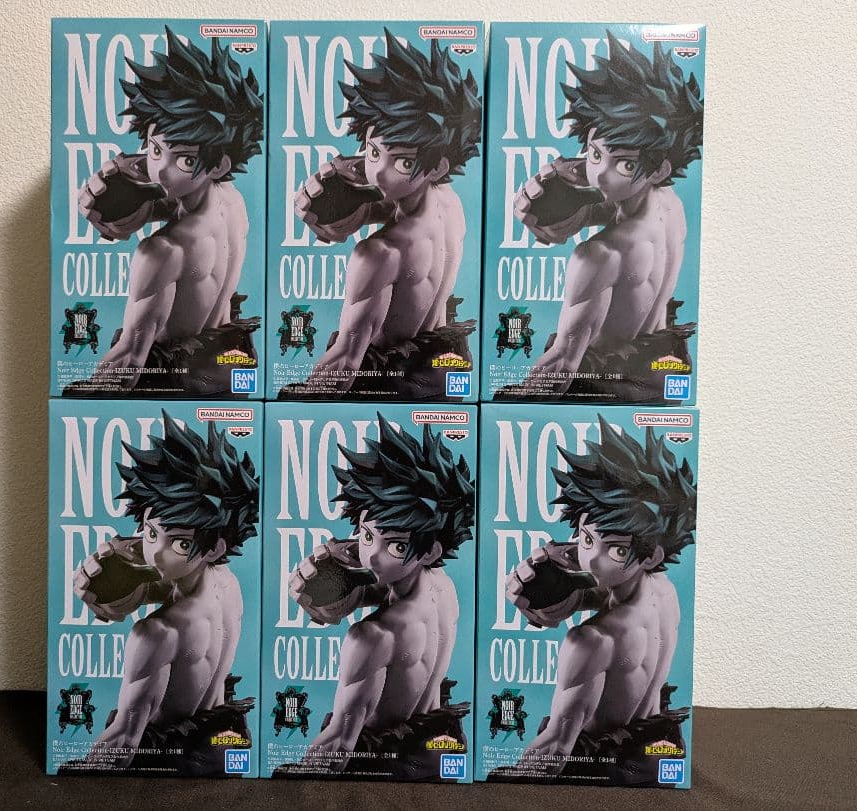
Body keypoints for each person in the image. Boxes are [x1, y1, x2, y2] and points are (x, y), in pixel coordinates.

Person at [495, 417, 696, 785]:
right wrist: (557, 573)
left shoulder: (590, 642)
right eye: (587, 540)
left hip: (595, 768)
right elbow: (602, 588)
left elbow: (556, 748)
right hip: (651, 753)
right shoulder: (664, 592)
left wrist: (501, 781)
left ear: (650, 555)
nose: (592, 561)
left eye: (616, 550)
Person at [505, 33, 703, 402]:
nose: (600, 176)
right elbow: (604, 204)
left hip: (601, 385)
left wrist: (509, 404)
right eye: (595, 154)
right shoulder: (670, 205)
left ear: (658, 169)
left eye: (625, 164)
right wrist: (569, 188)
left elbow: (562, 365)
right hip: (660, 374)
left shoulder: (598, 256)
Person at [288, 31, 482, 400]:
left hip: (386, 384)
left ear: (437, 167)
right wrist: (339, 205)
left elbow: (345, 362)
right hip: (442, 370)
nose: (379, 173)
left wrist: (296, 406)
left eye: (403, 161)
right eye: (373, 152)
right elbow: (385, 205)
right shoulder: (450, 204)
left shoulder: (377, 254)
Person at [280, 416, 475, 779]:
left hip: (380, 763)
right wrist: (335, 580)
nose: (372, 557)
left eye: (396, 546)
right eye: (367, 536)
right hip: (435, 746)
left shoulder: (371, 637)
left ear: (430, 551)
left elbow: (340, 742)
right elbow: (378, 584)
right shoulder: (442, 587)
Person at [72, 31, 263, 395]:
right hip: (231, 363)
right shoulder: (232, 202)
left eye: (185, 160)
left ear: (218, 165)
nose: (161, 171)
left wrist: (82, 399)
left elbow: (129, 360)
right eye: (156, 150)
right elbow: (173, 200)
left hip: (171, 380)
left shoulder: (161, 252)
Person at [69, 413, 260, 775]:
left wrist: (75, 775)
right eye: (151, 533)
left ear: (214, 548)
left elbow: (124, 739)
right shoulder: (227, 583)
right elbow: (166, 583)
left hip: (166, 759)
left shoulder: (156, 634)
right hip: (222, 741)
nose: (156, 553)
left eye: (181, 543)